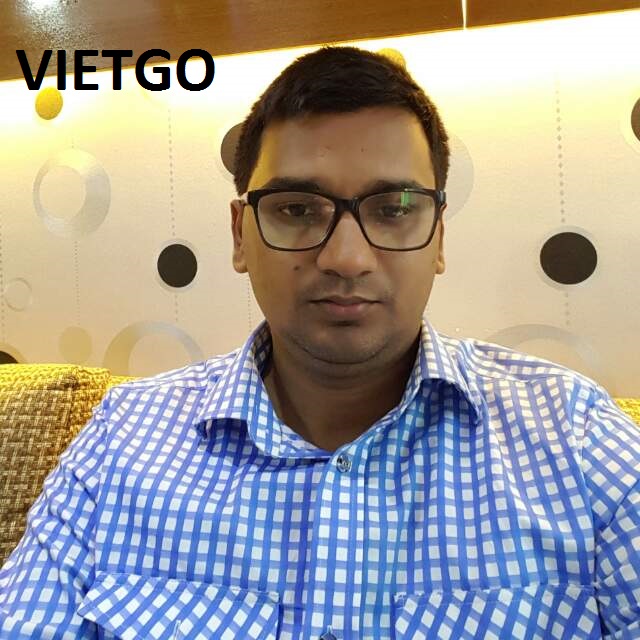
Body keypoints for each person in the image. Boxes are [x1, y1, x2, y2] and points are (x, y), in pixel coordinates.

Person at [1, 45, 639, 640]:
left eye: (394, 208)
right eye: (297, 209)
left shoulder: (575, 438)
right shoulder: (122, 441)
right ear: (240, 235)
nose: (346, 258)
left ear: (439, 236)